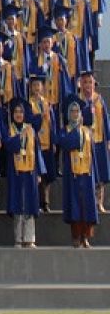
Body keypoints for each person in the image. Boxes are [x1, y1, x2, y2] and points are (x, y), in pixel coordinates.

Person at [57, 98, 98, 248]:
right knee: (75, 206)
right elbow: (66, 143)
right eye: (72, 111)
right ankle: (76, 236)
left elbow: (92, 153)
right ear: (69, 114)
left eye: (77, 111)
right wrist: (76, 132)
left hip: (87, 174)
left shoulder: (87, 131)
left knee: (86, 206)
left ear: (81, 114)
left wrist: (96, 176)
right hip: (72, 174)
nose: (75, 114)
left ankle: (85, 237)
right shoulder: (65, 130)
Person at [4, 98, 45, 248]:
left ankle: (30, 238)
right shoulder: (9, 129)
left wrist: (39, 172)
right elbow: (8, 145)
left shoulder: (31, 129)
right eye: (16, 112)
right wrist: (19, 137)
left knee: (30, 204)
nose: (19, 114)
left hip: (30, 172)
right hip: (15, 172)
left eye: (21, 112)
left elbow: (37, 150)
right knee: (17, 205)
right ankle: (18, 239)